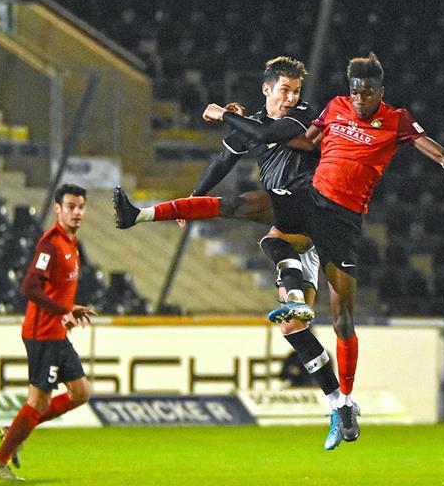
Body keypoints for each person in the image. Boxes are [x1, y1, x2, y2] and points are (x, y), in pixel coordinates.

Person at [266, 52, 444, 449]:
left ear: (381, 91)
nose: (359, 99)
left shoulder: (397, 120)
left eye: (367, 93)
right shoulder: (335, 107)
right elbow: (304, 142)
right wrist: (259, 127)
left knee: (343, 319)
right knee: (274, 236)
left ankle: (344, 403)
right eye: (355, 91)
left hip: (344, 222)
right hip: (313, 202)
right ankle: (295, 295)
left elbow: (443, 158)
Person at [113, 57, 345, 449]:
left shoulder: (302, 117)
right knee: (293, 326)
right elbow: (225, 158)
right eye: (284, 90)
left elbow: (267, 131)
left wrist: (224, 114)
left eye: (296, 91)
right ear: (266, 89)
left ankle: (139, 216)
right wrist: (195, 195)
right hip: (292, 226)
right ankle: (340, 405)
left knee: (244, 208)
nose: (291, 98)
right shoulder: (254, 123)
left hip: (311, 205)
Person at [0, 184, 97, 480]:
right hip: (42, 334)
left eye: (81, 207)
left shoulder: (71, 243)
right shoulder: (50, 244)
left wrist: (72, 307)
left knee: (81, 392)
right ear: (58, 209)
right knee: (38, 402)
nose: (76, 212)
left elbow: (56, 289)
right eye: (70, 206)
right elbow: (29, 287)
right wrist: (64, 310)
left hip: (58, 333)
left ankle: (14, 432)